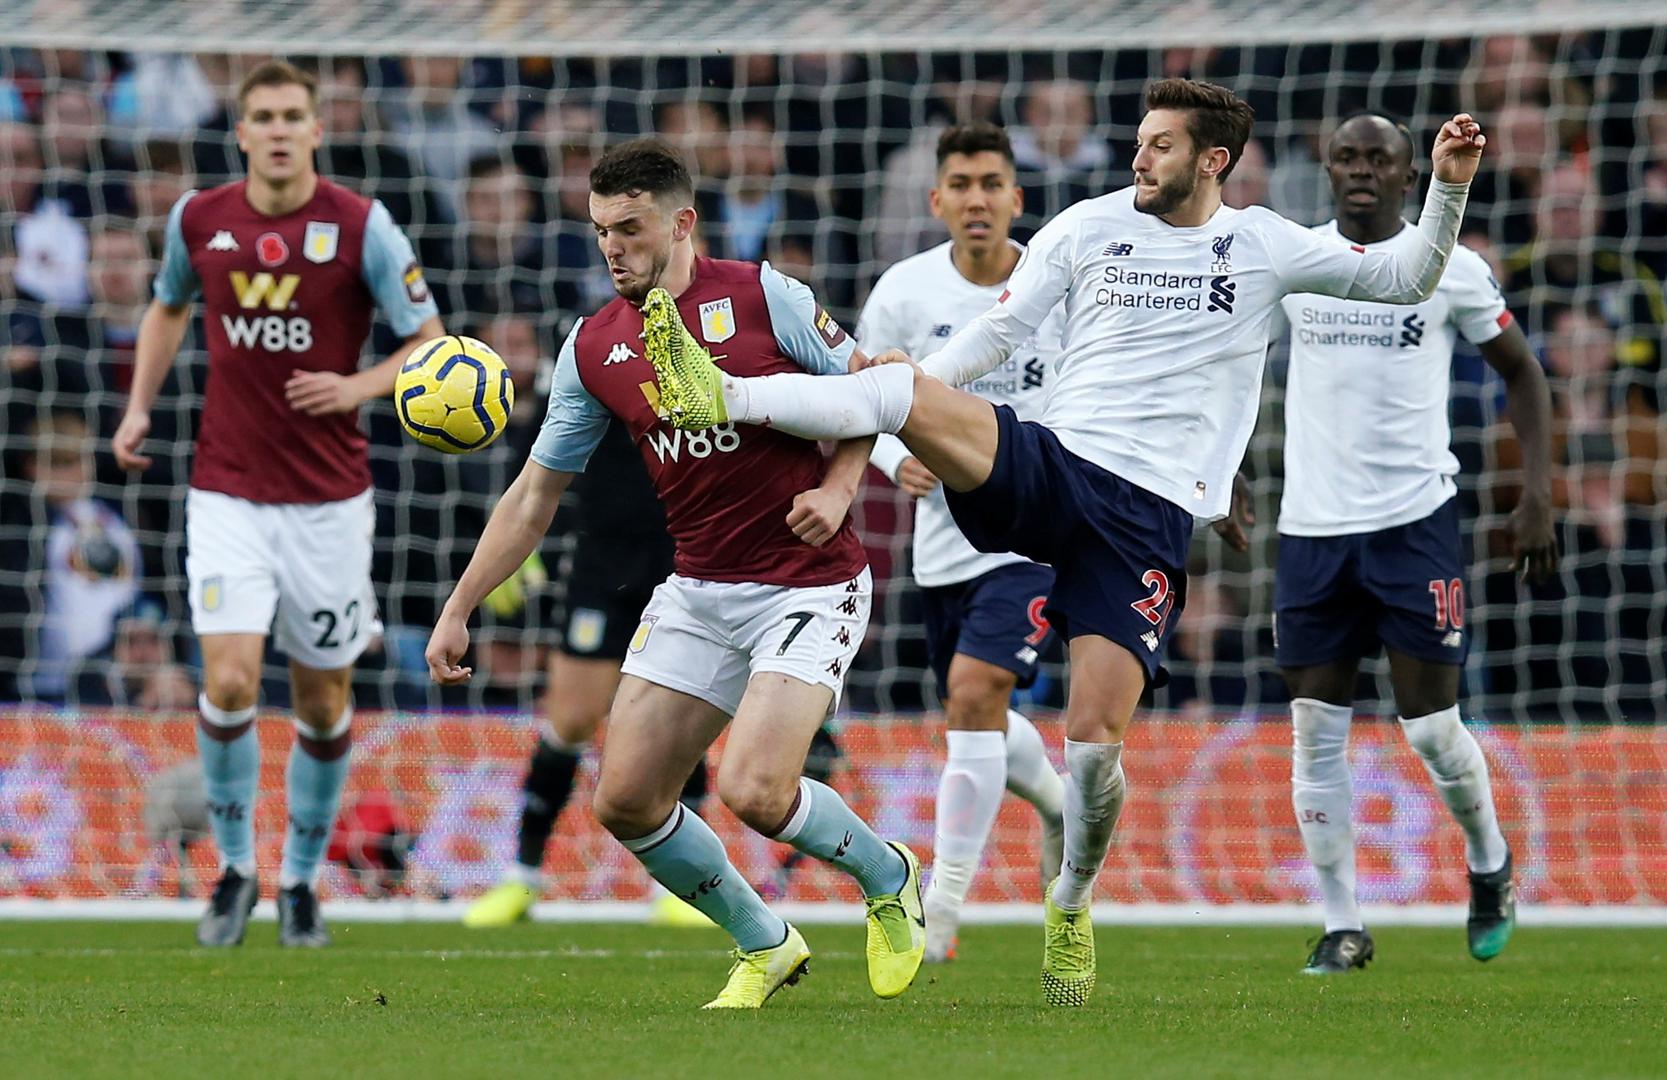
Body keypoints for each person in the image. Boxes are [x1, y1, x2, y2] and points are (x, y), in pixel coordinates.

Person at [645, 78, 1488, 1007]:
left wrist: (1447, 185)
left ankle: (1071, 899)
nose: (1139, 158)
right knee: (899, 387)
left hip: (1144, 519)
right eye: (1139, 140)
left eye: (1161, 145)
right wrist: (918, 392)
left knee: (1092, 751)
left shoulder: (1263, 243)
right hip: (1057, 463)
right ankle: (720, 392)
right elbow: (1000, 330)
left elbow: (1406, 277)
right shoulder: (1088, 225)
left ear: (1212, 160)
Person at [425, 139, 925, 1009]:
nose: (611, 248)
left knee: (754, 789)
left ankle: (888, 875)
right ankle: (764, 942)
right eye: (599, 231)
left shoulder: (766, 296)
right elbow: (534, 494)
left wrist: (839, 489)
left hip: (807, 582)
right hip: (699, 588)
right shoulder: (593, 346)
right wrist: (459, 606)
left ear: (681, 222)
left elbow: (870, 395)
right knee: (624, 799)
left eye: (629, 228)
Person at [112, 60, 444, 948]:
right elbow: (166, 308)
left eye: (294, 114)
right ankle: (233, 870)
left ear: (316, 128)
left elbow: (430, 341)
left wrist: (357, 386)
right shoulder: (198, 219)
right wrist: (139, 406)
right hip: (227, 492)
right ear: (242, 131)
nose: (279, 129)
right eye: (263, 116)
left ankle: (299, 880)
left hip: (329, 504)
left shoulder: (362, 225)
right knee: (226, 680)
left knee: (323, 701)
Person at [1271, 113, 1558, 974]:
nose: (1361, 171)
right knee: (1314, 733)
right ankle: (1341, 923)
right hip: (1311, 529)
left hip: (1412, 525)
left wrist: (1537, 491)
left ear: (1408, 177)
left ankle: (1488, 862)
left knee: (1431, 731)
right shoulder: (1296, 264)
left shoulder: (1450, 268)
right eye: (1346, 158)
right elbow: (1232, 366)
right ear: (1328, 171)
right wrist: (1223, 474)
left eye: (1379, 159)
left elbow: (1522, 371)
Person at [856, 122, 1065, 963]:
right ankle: (1057, 803)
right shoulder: (904, 292)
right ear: (937, 200)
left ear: (1016, 198)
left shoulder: (1055, 284)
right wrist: (894, 458)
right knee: (973, 708)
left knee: (976, 691)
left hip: (1035, 535)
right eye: (962, 185)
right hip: (943, 544)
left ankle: (939, 910)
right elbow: (865, 398)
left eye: (991, 184)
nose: (976, 199)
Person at [461, 420, 711, 929]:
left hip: (687, 556)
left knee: (678, 724)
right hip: (602, 562)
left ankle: (684, 887)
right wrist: (516, 544)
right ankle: (521, 877)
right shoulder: (591, 371)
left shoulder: (711, 372)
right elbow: (541, 446)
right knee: (571, 720)